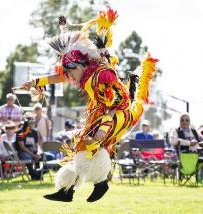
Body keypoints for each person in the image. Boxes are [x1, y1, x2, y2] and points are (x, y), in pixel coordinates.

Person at [13, 8, 158, 202]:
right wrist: (35, 82)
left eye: (71, 72)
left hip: (118, 114)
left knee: (91, 145)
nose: (70, 77)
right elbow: (59, 76)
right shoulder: (86, 72)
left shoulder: (101, 74)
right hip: (103, 113)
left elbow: (115, 104)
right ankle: (67, 191)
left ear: (79, 66)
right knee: (81, 147)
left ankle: (101, 183)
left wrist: (104, 128)